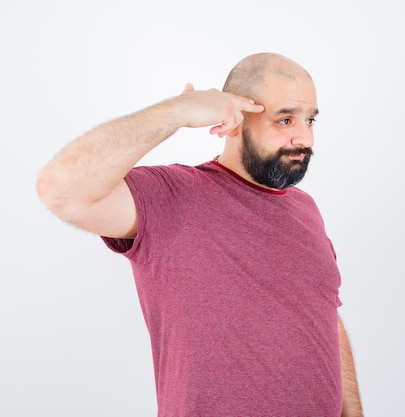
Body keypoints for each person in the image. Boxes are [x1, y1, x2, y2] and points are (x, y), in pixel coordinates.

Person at [37, 52, 363, 417]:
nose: (304, 137)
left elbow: (325, 318)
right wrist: (177, 111)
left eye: (310, 120)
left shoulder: (306, 210)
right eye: (285, 119)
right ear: (236, 120)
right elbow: (61, 189)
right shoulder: (172, 196)